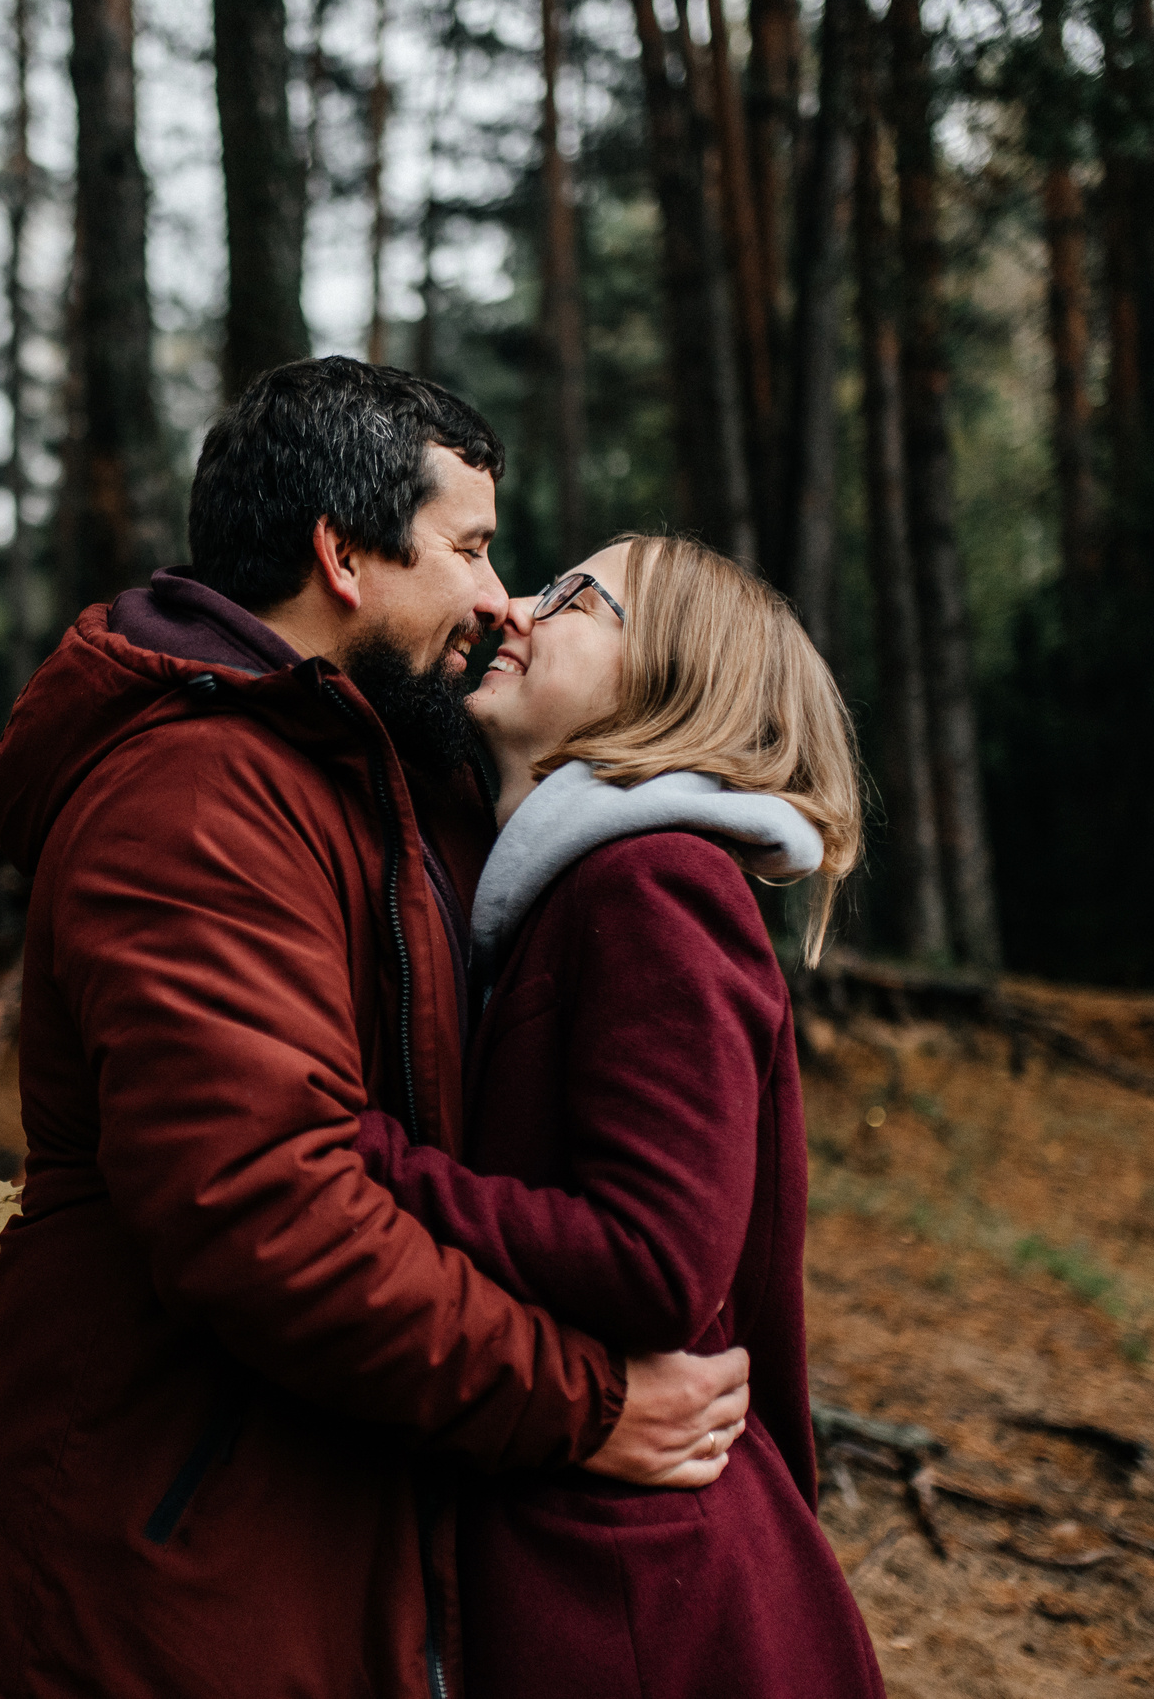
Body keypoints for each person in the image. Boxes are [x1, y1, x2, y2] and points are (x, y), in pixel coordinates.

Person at [0, 359, 753, 1699]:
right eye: (468, 548)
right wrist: (585, 1403)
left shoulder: (374, 771)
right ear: (343, 556)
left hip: (322, 1524)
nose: (500, 598)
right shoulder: (196, 798)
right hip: (178, 1568)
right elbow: (267, 1214)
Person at [350, 533, 887, 1697]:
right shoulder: (574, 888)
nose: (515, 611)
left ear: (669, 679)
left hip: (640, 1604)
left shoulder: (652, 885)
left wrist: (368, 1159)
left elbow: (655, 1262)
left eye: (574, 596)